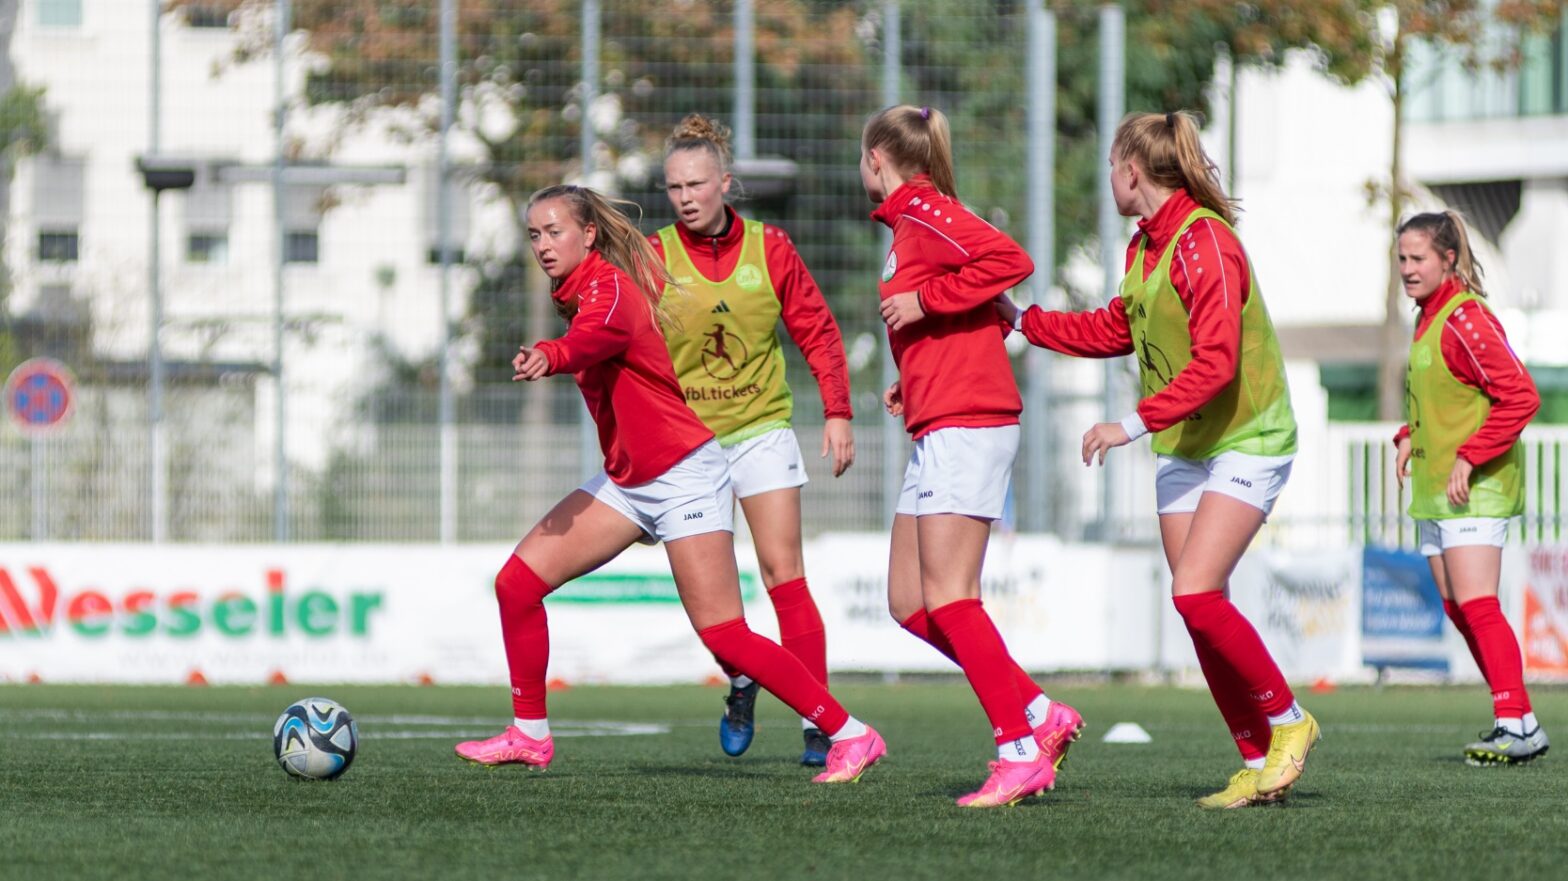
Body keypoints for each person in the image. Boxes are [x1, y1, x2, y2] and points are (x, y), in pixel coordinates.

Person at [454, 184, 885, 785]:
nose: (544, 244)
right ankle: (529, 735)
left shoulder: (608, 289)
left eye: (555, 231)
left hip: (684, 475)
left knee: (726, 635)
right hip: (629, 480)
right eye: (534, 234)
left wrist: (553, 354)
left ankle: (851, 733)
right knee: (517, 585)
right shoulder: (577, 288)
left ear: (589, 235)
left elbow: (596, 337)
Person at [998, 110, 1317, 809]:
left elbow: (1217, 360)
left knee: (1194, 592)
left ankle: (1291, 720)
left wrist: (1128, 424)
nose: (1108, 177)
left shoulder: (1205, 240)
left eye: (1111, 165)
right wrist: (1023, 320)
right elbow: (1119, 325)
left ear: (1131, 171)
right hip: (1187, 442)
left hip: (1248, 436)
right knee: (1200, 608)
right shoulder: (1145, 245)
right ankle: (1257, 758)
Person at [862, 104, 1083, 808]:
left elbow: (1010, 259)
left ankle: (1017, 749)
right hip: (938, 418)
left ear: (877, 159)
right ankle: (1039, 713)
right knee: (908, 601)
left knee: (953, 598)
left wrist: (924, 302)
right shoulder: (906, 224)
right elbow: (967, 311)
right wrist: (912, 375)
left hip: (970, 420)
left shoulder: (926, 209)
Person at [651, 113, 856, 766]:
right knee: (721, 611)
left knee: (784, 575)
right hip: (687, 448)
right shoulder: (652, 256)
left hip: (762, 429)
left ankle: (820, 725)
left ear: (725, 183)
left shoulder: (771, 248)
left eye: (696, 184)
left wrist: (838, 411)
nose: (685, 197)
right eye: (674, 186)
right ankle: (742, 680)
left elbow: (818, 331)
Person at [1392, 210, 1548, 765]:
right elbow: (1446, 397)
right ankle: (1521, 718)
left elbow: (1522, 397)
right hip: (1439, 489)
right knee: (1458, 608)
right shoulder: (1427, 316)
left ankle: (1513, 722)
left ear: (1448, 259)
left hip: (1476, 487)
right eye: (1402, 259)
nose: (1407, 269)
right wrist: (1410, 434)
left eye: (1418, 259)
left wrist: (1472, 455)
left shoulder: (1466, 318)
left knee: (1478, 605)